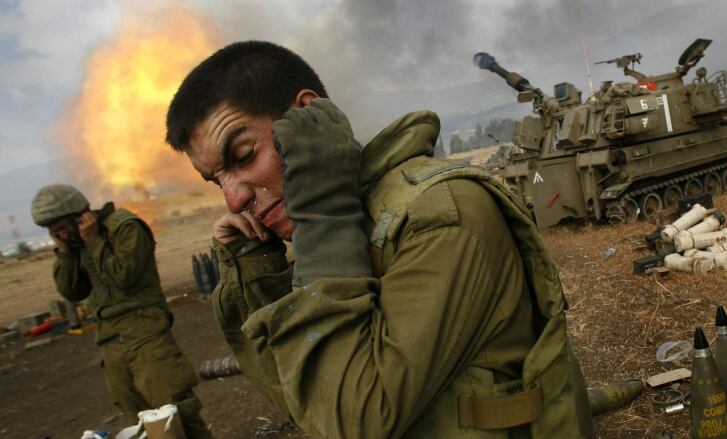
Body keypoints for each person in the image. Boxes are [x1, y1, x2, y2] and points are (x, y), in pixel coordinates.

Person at [165, 41, 590, 438]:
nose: (233, 199)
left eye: (243, 157)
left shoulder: (440, 212)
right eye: (215, 181)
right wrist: (253, 271)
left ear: (309, 121)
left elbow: (354, 422)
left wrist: (322, 212)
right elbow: (308, 405)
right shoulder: (361, 220)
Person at [30, 184, 211, 438]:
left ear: (79, 216)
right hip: (111, 342)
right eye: (54, 231)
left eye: (63, 227)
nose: (61, 234)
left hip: (145, 334)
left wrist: (93, 240)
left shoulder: (124, 226)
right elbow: (72, 291)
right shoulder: (75, 245)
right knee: (139, 422)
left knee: (176, 413)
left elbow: (124, 275)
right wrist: (64, 253)